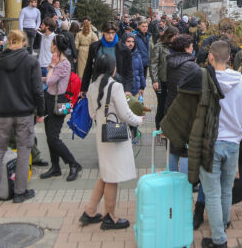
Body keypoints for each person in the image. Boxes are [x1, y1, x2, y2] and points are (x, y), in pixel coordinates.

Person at [199, 41, 242, 248]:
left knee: (212, 192)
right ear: (230, 58)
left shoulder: (204, 79)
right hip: (233, 142)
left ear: (211, 57)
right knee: (225, 190)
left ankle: (219, 239)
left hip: (211, 141)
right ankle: (221, 227)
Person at [80, 55, 144, 230]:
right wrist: (140, 120)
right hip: (115, 136)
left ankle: (90, 211)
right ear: (112, 68)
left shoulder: (92, 87)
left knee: (106, 174)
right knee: (112, 177)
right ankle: (110, 217)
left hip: (102, 134)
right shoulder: (116, 86)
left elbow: (92, 114)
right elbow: (125, 115)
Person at [0, 30, 45, 205]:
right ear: (24, 42)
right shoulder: (31, 61)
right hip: (24, 113)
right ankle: (20, 192)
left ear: (8, 42)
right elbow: (38, 91)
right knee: (24, 151)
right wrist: (40, 112)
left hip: (2, 112)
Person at [40, 35, 82, 181]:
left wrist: (51, 66)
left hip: (59, 102)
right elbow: (51, 80)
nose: (50, 45)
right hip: (51, 99)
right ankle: (55, 167)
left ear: (56, 46)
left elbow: (51, 80)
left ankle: (73, 163)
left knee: (53, 137)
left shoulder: (63, 63)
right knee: (49, 136)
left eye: (52, 43)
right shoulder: (61, 62)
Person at [165, 34, 201, 171]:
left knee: (174, 147)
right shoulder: (192, 67)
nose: (193, 49)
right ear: (186, 48)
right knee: (187, 150)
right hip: (187, 112)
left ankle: (172, 180)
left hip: (171, 108)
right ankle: (185, 184)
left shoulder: (170, 63)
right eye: (192, 46)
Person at [81, 21, 133, 93]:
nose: (110, 35)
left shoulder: (124, 50)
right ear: (103, 32)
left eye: (113, 33)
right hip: (98, 85)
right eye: (108, 33)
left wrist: (127, 89)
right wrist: (84, 88)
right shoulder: (94, 47)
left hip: (117, 86)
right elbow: (88, 68)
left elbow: (129, 72)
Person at [149, 25, 178, 130]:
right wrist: (155, 80)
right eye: (174, 36)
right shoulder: (159, 46)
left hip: (172, 80)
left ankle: (168, 127)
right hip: (162, 81)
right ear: (169, 36)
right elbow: (153, 64)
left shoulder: (176, 47)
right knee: (162, 105)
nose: (176, 38)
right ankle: (159, 127)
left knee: (170, 105)